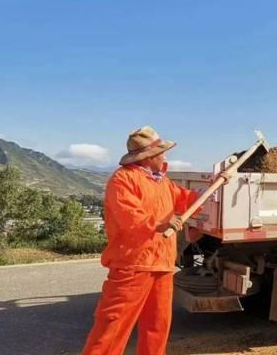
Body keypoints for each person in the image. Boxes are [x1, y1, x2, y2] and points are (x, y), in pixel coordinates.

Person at [82, 126, 226, 355]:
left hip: (162, 265)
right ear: (149, 157)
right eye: (162, 152)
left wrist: (215, 186)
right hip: (132, 265)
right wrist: (160, 223)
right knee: (112, 326)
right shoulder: (122, 180)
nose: (166, 156)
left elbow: (186, 199)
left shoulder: (162, 183)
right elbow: (129, 217)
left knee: (157, 326)